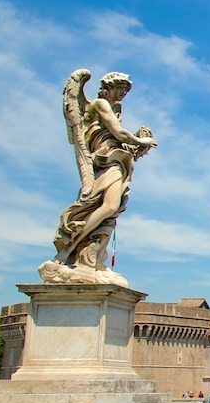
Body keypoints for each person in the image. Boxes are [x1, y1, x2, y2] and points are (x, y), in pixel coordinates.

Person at [46, 70, 157, 282]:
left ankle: (93, 258)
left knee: (111, 211)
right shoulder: (100, 104)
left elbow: (119, 140)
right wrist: (141, 141)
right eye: (120, 88)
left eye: (126, 90)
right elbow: (118, 134)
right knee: (109, 206)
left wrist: (136, 147)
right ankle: (68, 249)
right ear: (108, 88)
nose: (123, 93)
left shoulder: (116, 109)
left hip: (117, 161)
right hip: (106, 161)